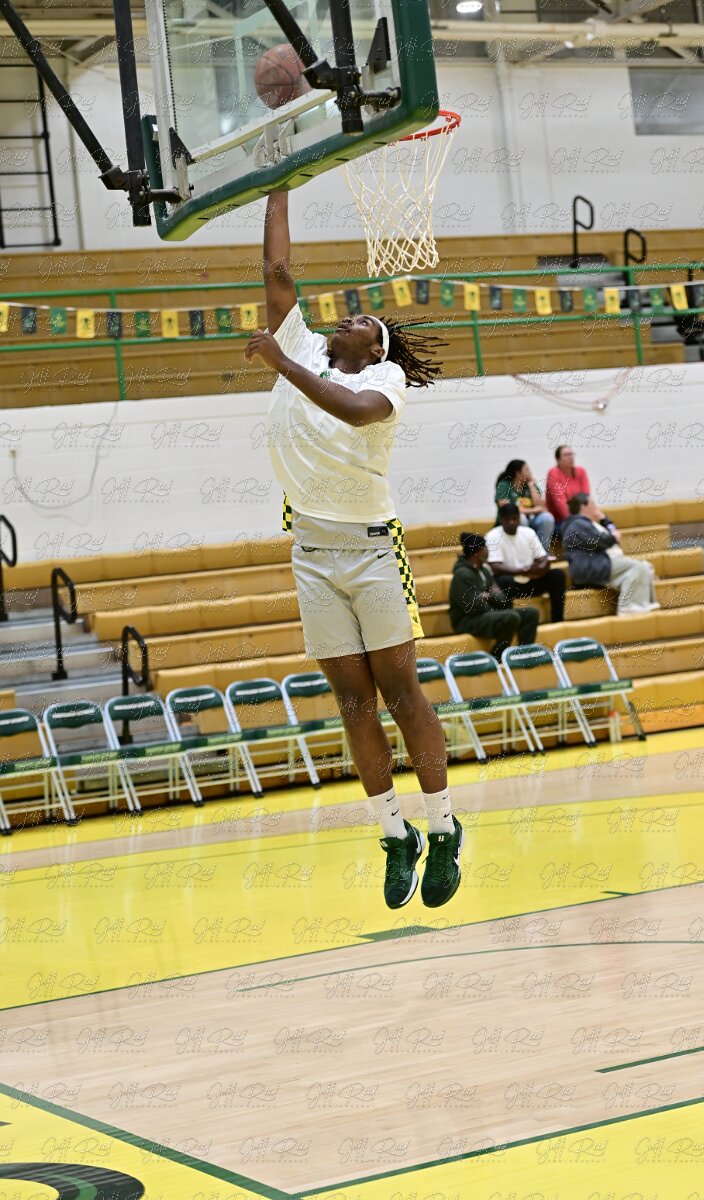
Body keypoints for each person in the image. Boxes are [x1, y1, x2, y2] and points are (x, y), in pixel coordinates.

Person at [244, 191, 462, 912]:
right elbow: (278, 268)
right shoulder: (304, 344)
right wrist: (281, 181)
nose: (349, 318)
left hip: (371, 551)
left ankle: (443, 826)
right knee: (352, 702)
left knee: (400, 692)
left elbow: (352, 411)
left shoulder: (382, 381)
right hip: (311, 550)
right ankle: (395, 834)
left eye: (365, 322)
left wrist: (280, 363)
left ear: (377, 347)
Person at [560, 494, 660, 616]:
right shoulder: (577, 524)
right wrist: (613, 537)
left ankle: (641, 605)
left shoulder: (586, 523)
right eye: (593, 504)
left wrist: (605, 520)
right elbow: (604, 540)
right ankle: (628, 608)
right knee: (638, 567)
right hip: (589, 567)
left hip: (597, 563)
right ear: (583, 507)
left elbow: (610, 534)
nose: (596, 507)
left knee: (644, 567)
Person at [449, 532, 540, 660]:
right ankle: (497, 657)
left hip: (486, 613)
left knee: (531, 613)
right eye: (485, 547)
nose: (488, 551)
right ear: (477, 552)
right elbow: (473, 607)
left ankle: (525, 655)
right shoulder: (462, 574)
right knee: (510, 617)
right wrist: (491, 598)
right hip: (466, 620)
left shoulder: (484, 570)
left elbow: (502, 600)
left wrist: (487, 596)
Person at [486, 503, 567, 624]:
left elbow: (543, 558)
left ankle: (558, 620)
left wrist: (538, 570)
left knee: (558, 575)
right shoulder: (492, 536)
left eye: (514, 518)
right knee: (503, 581)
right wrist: (521, 571)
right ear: (501, 520)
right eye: (508, 519)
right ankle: (510, 622)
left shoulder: (528, 532)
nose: (511, 522)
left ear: (519, 518)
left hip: (532, 579)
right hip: (511, 583)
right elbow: (495, 566)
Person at [494, 459, 554, 550]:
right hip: (508, 523)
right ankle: (525, 551)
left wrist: (531, 486)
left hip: (531, 520)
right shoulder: (504, 486)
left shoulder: (529, 485)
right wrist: (534, 510)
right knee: (521, 518)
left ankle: (542, 552)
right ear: (518, 473)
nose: (530, 472)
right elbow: (507, 510)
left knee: (547, 518)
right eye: (527, 470)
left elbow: (540, 505)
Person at [545, 445, 592, 527]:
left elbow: (586, 498)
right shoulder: (553, 473)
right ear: (558, 459)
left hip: (581, 517)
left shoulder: (581, 471)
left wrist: (587, 518)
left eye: (571, 454)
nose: (570, 457)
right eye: (566, 455)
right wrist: (577, 522)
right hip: (560, 520)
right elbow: (560, 503)